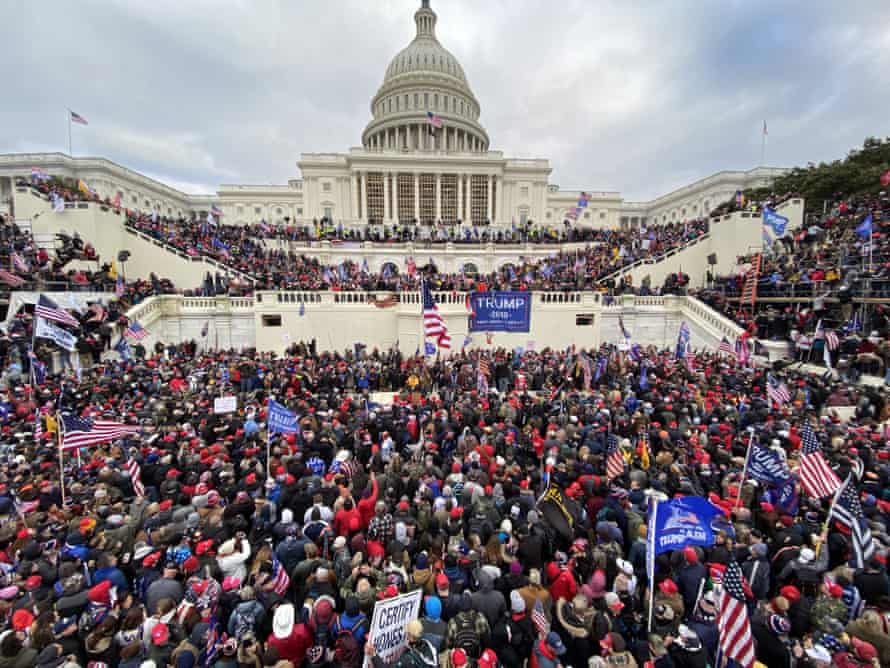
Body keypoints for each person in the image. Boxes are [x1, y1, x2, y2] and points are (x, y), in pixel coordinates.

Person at [365, 619, 438, 668]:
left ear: (410, 636)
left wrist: (373, 654)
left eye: (407, 633)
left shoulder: (408, 659)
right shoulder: (429, 645)